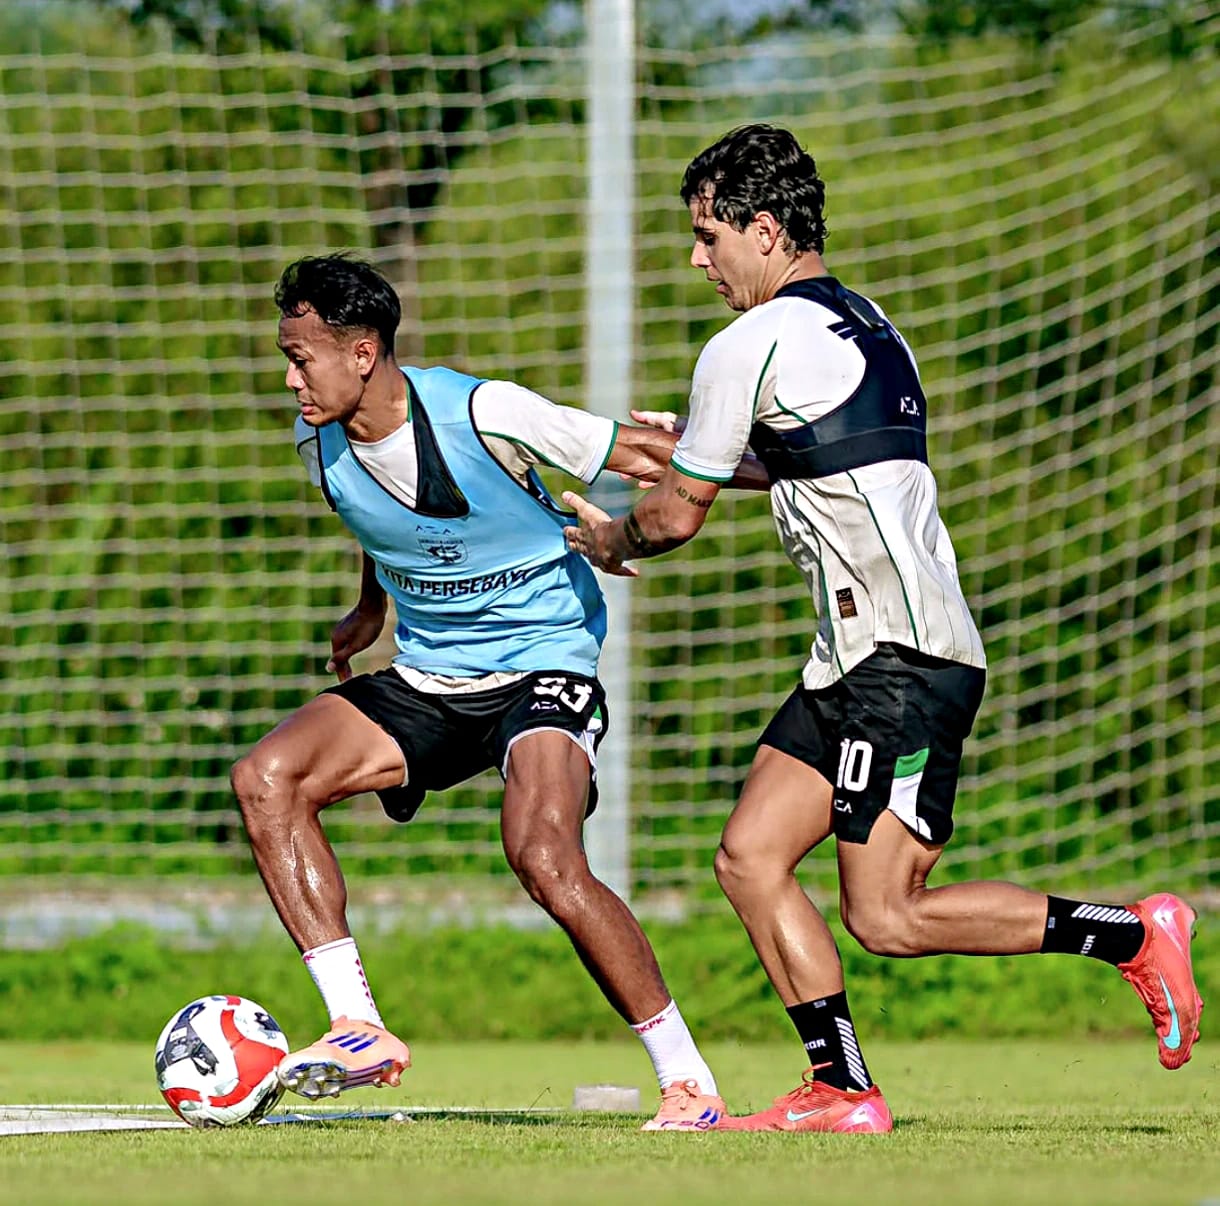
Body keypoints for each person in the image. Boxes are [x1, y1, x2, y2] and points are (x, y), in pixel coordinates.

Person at [563, 123, 1203, 1133]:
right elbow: (809, 463)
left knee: (886, 914)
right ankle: (839, 1088)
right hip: (857, 660)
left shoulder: (747, 341)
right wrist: (692, 451)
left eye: (705, 235)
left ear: (764, 230)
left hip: (900, 662)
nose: (696, 258)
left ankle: (1126, 934)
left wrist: (616, 538)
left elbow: (677, 517)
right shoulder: (864, 321)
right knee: (748, 857)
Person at [230, 252, 727, 1131]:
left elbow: (652, 455)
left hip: (545, 664)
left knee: (543, 855)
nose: (289, 375)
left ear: (363, 353)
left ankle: (687, 1080)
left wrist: (793, 465)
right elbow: (381, 521)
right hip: (429, 678)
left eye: (302, 357)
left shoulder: (484, 410)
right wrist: (366, 608)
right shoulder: (317, 441)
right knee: (267, 778)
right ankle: (358, 1025)